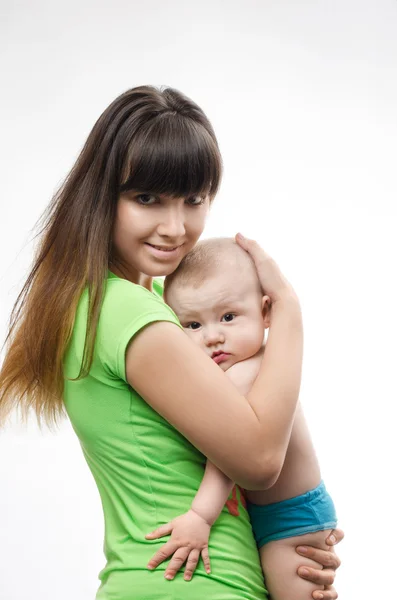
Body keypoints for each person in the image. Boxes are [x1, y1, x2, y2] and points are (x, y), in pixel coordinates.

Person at [0, 85, 343, 600]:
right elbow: (259, 457)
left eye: (194, 200)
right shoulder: (125, 311)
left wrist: (293, 536)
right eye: (146, 199)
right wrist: (287, 310)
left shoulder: (151, 305)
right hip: (193, 583)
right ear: (101, 197)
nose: (175, 227)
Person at [143, 237, 337, 600]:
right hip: (268, 513)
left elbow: (230, 456)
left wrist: (200, 516)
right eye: (192, 325)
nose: (213, 337)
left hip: (290, 521)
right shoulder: (228, 372)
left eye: (228, 317)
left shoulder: (249, 371)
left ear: (266, 312)